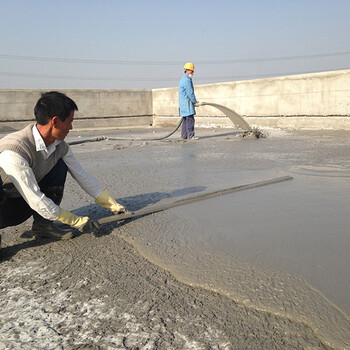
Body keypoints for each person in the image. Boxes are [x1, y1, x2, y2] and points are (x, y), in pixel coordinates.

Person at [0, 91, 129, 247]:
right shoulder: (14, 150)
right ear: (55, 121)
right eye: (69, 122)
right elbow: (33, 197)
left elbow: (81, 175)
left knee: (59, 164)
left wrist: (112, 204)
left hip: (24, 200)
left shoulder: (60, 147)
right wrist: (73, 220)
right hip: (7, 206)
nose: (71, 127)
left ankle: (43, 225)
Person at [179, 62, 202, 140]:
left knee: (185, 121)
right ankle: (191, 136)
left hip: (183, 104)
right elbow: (190, 93)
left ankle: (184, 136)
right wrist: (195, 101)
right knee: (190, 120)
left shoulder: (183, 79)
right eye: (192, 71)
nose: (193, 73)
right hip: (187, 104)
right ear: (187, 70)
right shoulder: (187, 80)